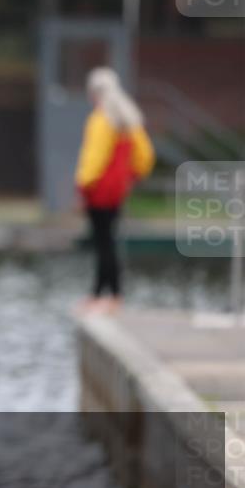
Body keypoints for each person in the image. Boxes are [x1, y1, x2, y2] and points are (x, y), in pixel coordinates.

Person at [74, 66, 155, 314]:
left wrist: (82, 185)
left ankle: (101, 294)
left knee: (103, 243)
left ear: (95, 92)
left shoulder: (101, 119)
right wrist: (131, 176)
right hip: (118, 191)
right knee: (109, 241)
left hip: (99, 192)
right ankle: (111, 295)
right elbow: (145, 156)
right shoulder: (129, 119)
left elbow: (93, 159)